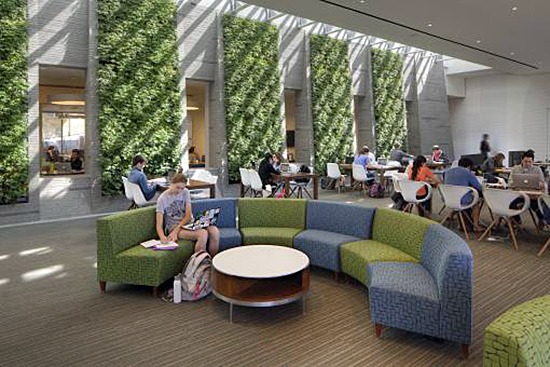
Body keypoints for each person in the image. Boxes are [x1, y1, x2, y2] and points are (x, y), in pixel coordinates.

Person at [155, 173, 219, 256]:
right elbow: (159, 225)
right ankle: (199, 265)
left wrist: (176, 230)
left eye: (182, 188)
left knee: (214, 231)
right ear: (172, 183)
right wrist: (162, 237)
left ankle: (212, 263)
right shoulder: (162, 199)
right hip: (173, 227)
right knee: (203, 234)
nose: (179, 191)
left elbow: (188, 216)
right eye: (177, 187)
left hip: (187, 224)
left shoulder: (185, 192)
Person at [445, 157, 484, 233]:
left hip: (448, 199)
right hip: (462, 200)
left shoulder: (448, 172)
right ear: (469, 166)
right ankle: (476, 225)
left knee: (464, 198)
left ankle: (459, 220)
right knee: (476, 202)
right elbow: (479, 187)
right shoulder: (467, 173)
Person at [509, 150, 546, 227]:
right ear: (522, 160)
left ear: (533, 161)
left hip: (533, 195)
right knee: (511, 205)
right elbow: (510, 182)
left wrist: (540, 184)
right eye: (525, 161)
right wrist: (515, 185)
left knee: (535, 204)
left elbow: (542, 182)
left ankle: (541, 219)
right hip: (519, 195)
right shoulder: (515, 169)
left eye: (530, 162)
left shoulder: (537, 169)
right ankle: (517, 221)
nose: (528, 164)